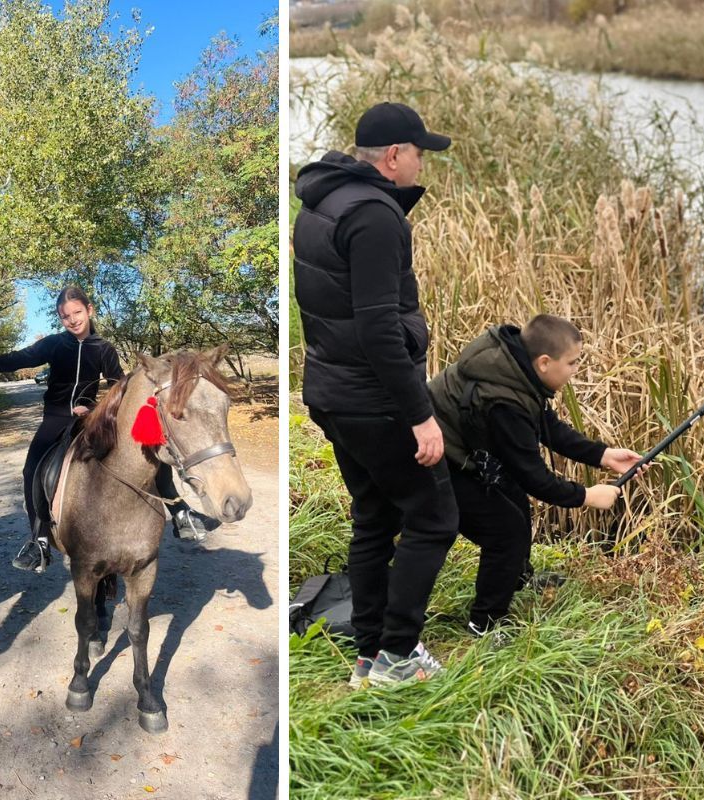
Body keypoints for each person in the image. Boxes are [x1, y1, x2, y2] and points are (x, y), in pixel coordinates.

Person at [293, 102, 459, 686]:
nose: (421, 164)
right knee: (435, 516)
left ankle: (368, 655)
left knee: (373, 515)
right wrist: (420, 416)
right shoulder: (376, 217)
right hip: (374, 399)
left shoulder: (322, 204)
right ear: (393, 156)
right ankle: (395, 655)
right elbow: (378, 328)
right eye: (418, 153)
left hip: (332, 392)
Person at [0, 286, 212, 573]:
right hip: (56, 419)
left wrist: (96, 409)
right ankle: (40, 539)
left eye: (77, 313)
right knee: (31, 469)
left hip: (92, 419)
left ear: (89, 310)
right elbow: (15, 359)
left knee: (148, 448)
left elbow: (119, 387)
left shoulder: (103, 348)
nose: (72, 320)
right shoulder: (53, 345)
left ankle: (179, 510)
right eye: (65, 316)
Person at [427, 314, 643, 636]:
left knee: (513, 499)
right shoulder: (505, 401)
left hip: (456, 451)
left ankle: (517, 577)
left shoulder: (516, 369)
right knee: (505, 529)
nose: (575, 370)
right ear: (544, 362)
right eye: (572, 363)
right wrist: (587, 496)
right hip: (433, 462)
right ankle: (485, 622)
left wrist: (603, 455)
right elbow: (535, 478)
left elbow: (547, 427)